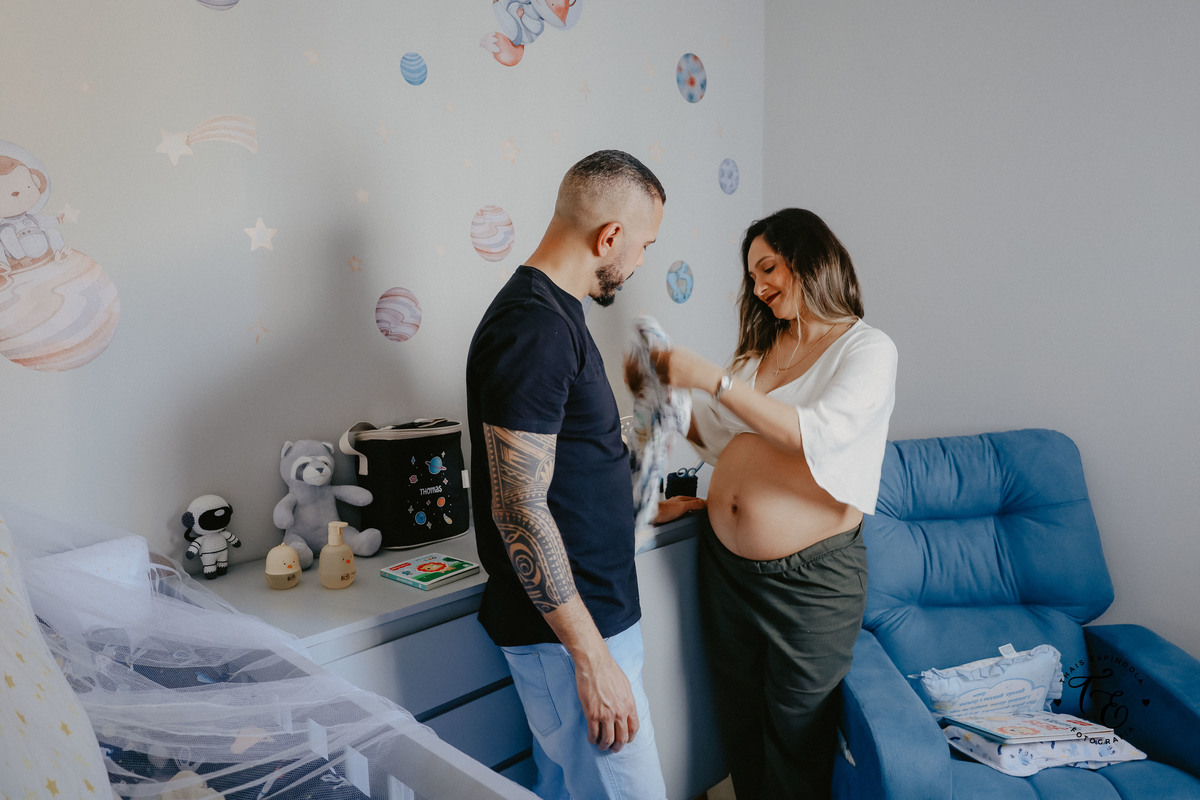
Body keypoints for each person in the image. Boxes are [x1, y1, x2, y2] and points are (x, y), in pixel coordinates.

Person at [645, 207, 898, 800]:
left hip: (810, 579)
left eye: (768, 268)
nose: (758, 287)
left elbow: (812, 432)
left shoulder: (867, 349)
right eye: (752, 276)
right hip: (726, 571)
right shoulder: (760, 354)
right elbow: (718, 438)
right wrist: (664, 391)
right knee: (740, 724)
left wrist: (713, 379)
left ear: (810, 259)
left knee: (796, 738)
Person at [465, 149, 668, 800]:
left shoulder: (556, 314)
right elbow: (518, 508)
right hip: (572, 640)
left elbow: (570, 465)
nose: (640, 262)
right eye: (643, 246)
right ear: (610, 237)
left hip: (586, 625)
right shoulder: (534, 327)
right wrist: (592, 658)